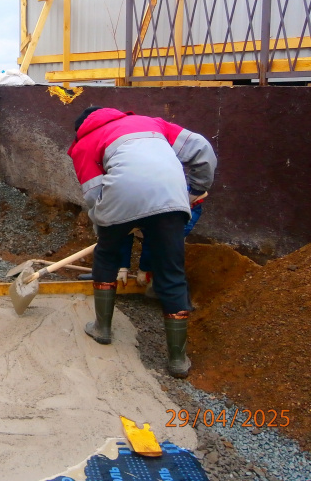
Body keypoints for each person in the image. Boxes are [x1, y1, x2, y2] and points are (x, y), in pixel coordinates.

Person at [67, 106, 217, 378]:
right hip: (172, 196)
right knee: (172, 272)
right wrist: (194, 189)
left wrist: (108, 222)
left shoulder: (83, 143)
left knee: (106, 254)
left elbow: (93, 194)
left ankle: (102, 328)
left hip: (120, 196)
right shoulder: (153, 123)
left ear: (80, 128)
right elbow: (202, 149)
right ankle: (178, 361)